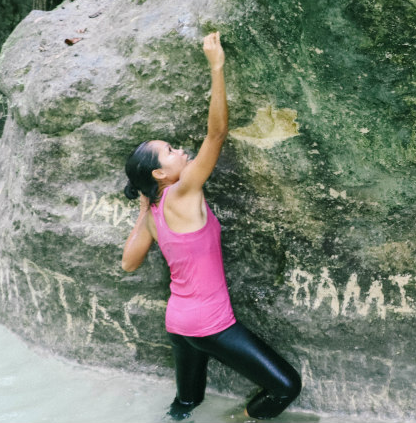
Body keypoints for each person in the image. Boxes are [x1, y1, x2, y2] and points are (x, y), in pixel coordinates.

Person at [120, 31, 301, 420]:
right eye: (170, 151)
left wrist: (143, 203)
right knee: (286, 386)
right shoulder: (183, 192)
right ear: (160, 173)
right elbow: (216, 135)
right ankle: (237, 420)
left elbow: (128, 263)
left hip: (179, 324)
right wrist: (217, 67)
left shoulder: (154, 213)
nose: (180, 150)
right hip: (210, 325)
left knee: (187, 403)